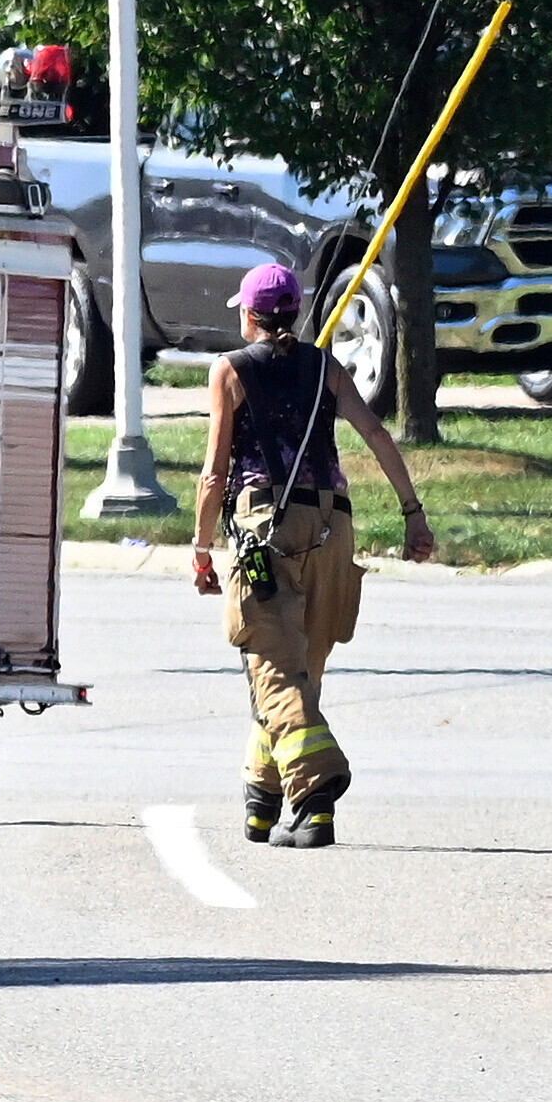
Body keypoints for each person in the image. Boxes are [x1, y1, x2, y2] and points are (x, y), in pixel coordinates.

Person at [189, 258, 434, 849]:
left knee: (273, 671)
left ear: (250, 317)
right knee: (299, 673)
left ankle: (317, 790)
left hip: (265, 531)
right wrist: (412, 514)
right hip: (333, 528)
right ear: (293, 314)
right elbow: (376, 433)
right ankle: (261, 799)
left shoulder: (230, 370)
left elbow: (215, 475)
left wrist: (201, 548)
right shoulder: (324, 366)